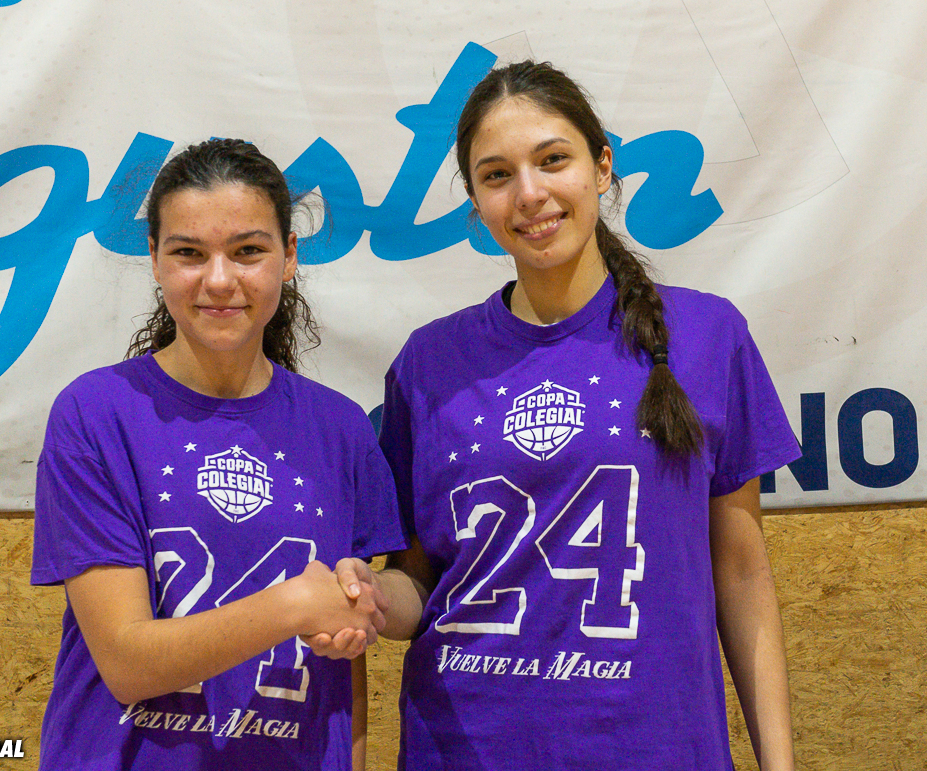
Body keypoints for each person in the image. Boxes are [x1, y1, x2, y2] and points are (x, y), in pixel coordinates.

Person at [312, 61, 801, 770]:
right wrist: (361, 600)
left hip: (654, 748)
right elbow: (418, 579)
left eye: (553, 160)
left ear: (602, 166)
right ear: (476, 202)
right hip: (467, 746)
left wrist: (779, 762)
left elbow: (743, 573)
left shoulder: (707, 336)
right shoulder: (428, 363)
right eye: (497, 174)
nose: (530, 193)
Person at [31, 139, 406, 771]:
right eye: (188, 253)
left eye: (248, 251)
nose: (219, 279)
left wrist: (346, 608)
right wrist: (291, 605)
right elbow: (127, 663)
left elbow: (345, 672)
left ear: (288, 257)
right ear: (153, 259)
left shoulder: (341, 428)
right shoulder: (95, 415)